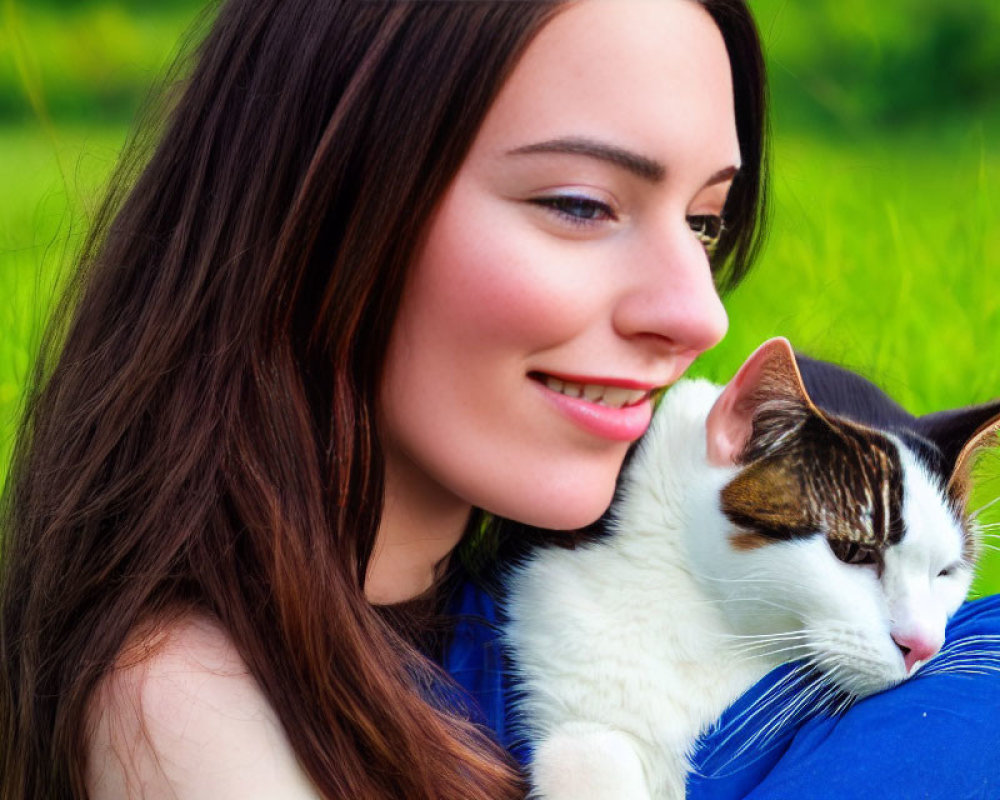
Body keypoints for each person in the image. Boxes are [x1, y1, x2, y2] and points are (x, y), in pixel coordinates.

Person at [0, 1, 996, 799]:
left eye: (702, 222)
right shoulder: (190, 700)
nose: (699, 314)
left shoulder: (593, 610)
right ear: (320, 207)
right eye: (578, 203)